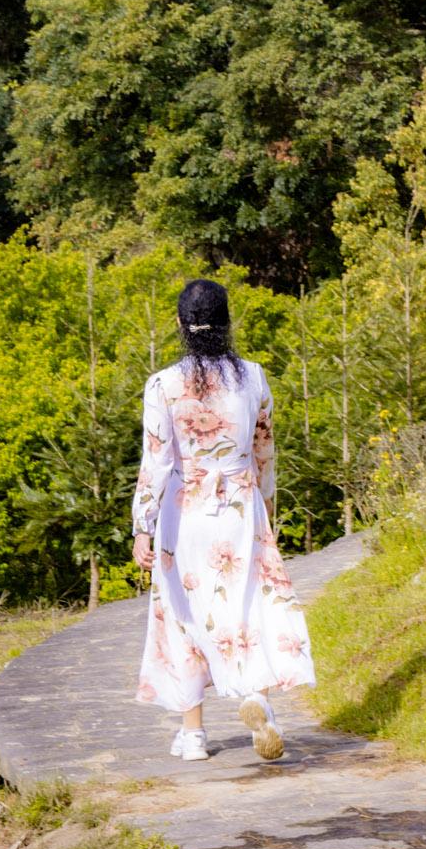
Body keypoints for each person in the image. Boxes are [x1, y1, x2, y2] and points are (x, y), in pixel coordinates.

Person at [131, 278, 316, 762]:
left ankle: (192, 734)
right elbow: (264, 450)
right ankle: (258, 698)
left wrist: (142, 525)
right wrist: (267, 505)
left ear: (179, 324)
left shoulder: (164, 385)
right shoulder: (252, 377)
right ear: (227, 321)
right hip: (239, 503)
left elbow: (156, 461)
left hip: (184, 510)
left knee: (183, 610)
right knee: (250, 602)